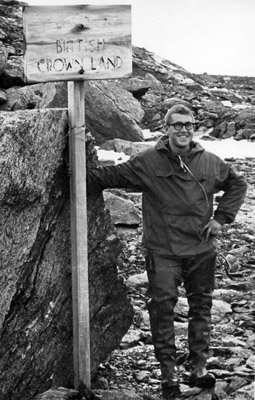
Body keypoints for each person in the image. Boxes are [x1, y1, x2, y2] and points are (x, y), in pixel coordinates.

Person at [87, 104, 247, 399]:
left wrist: (221, 219)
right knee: (162, 310)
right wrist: (75, 164)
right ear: (167, 128)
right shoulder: (147, 162)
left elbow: (238, 184)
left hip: (201, 251)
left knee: (201, 308)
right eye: (177, 125)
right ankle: (168, 376)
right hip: (163, 251)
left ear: (194, 128)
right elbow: (106, 177)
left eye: (188, 124)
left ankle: (198, 369)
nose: (183, 129)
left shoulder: (210, 162)